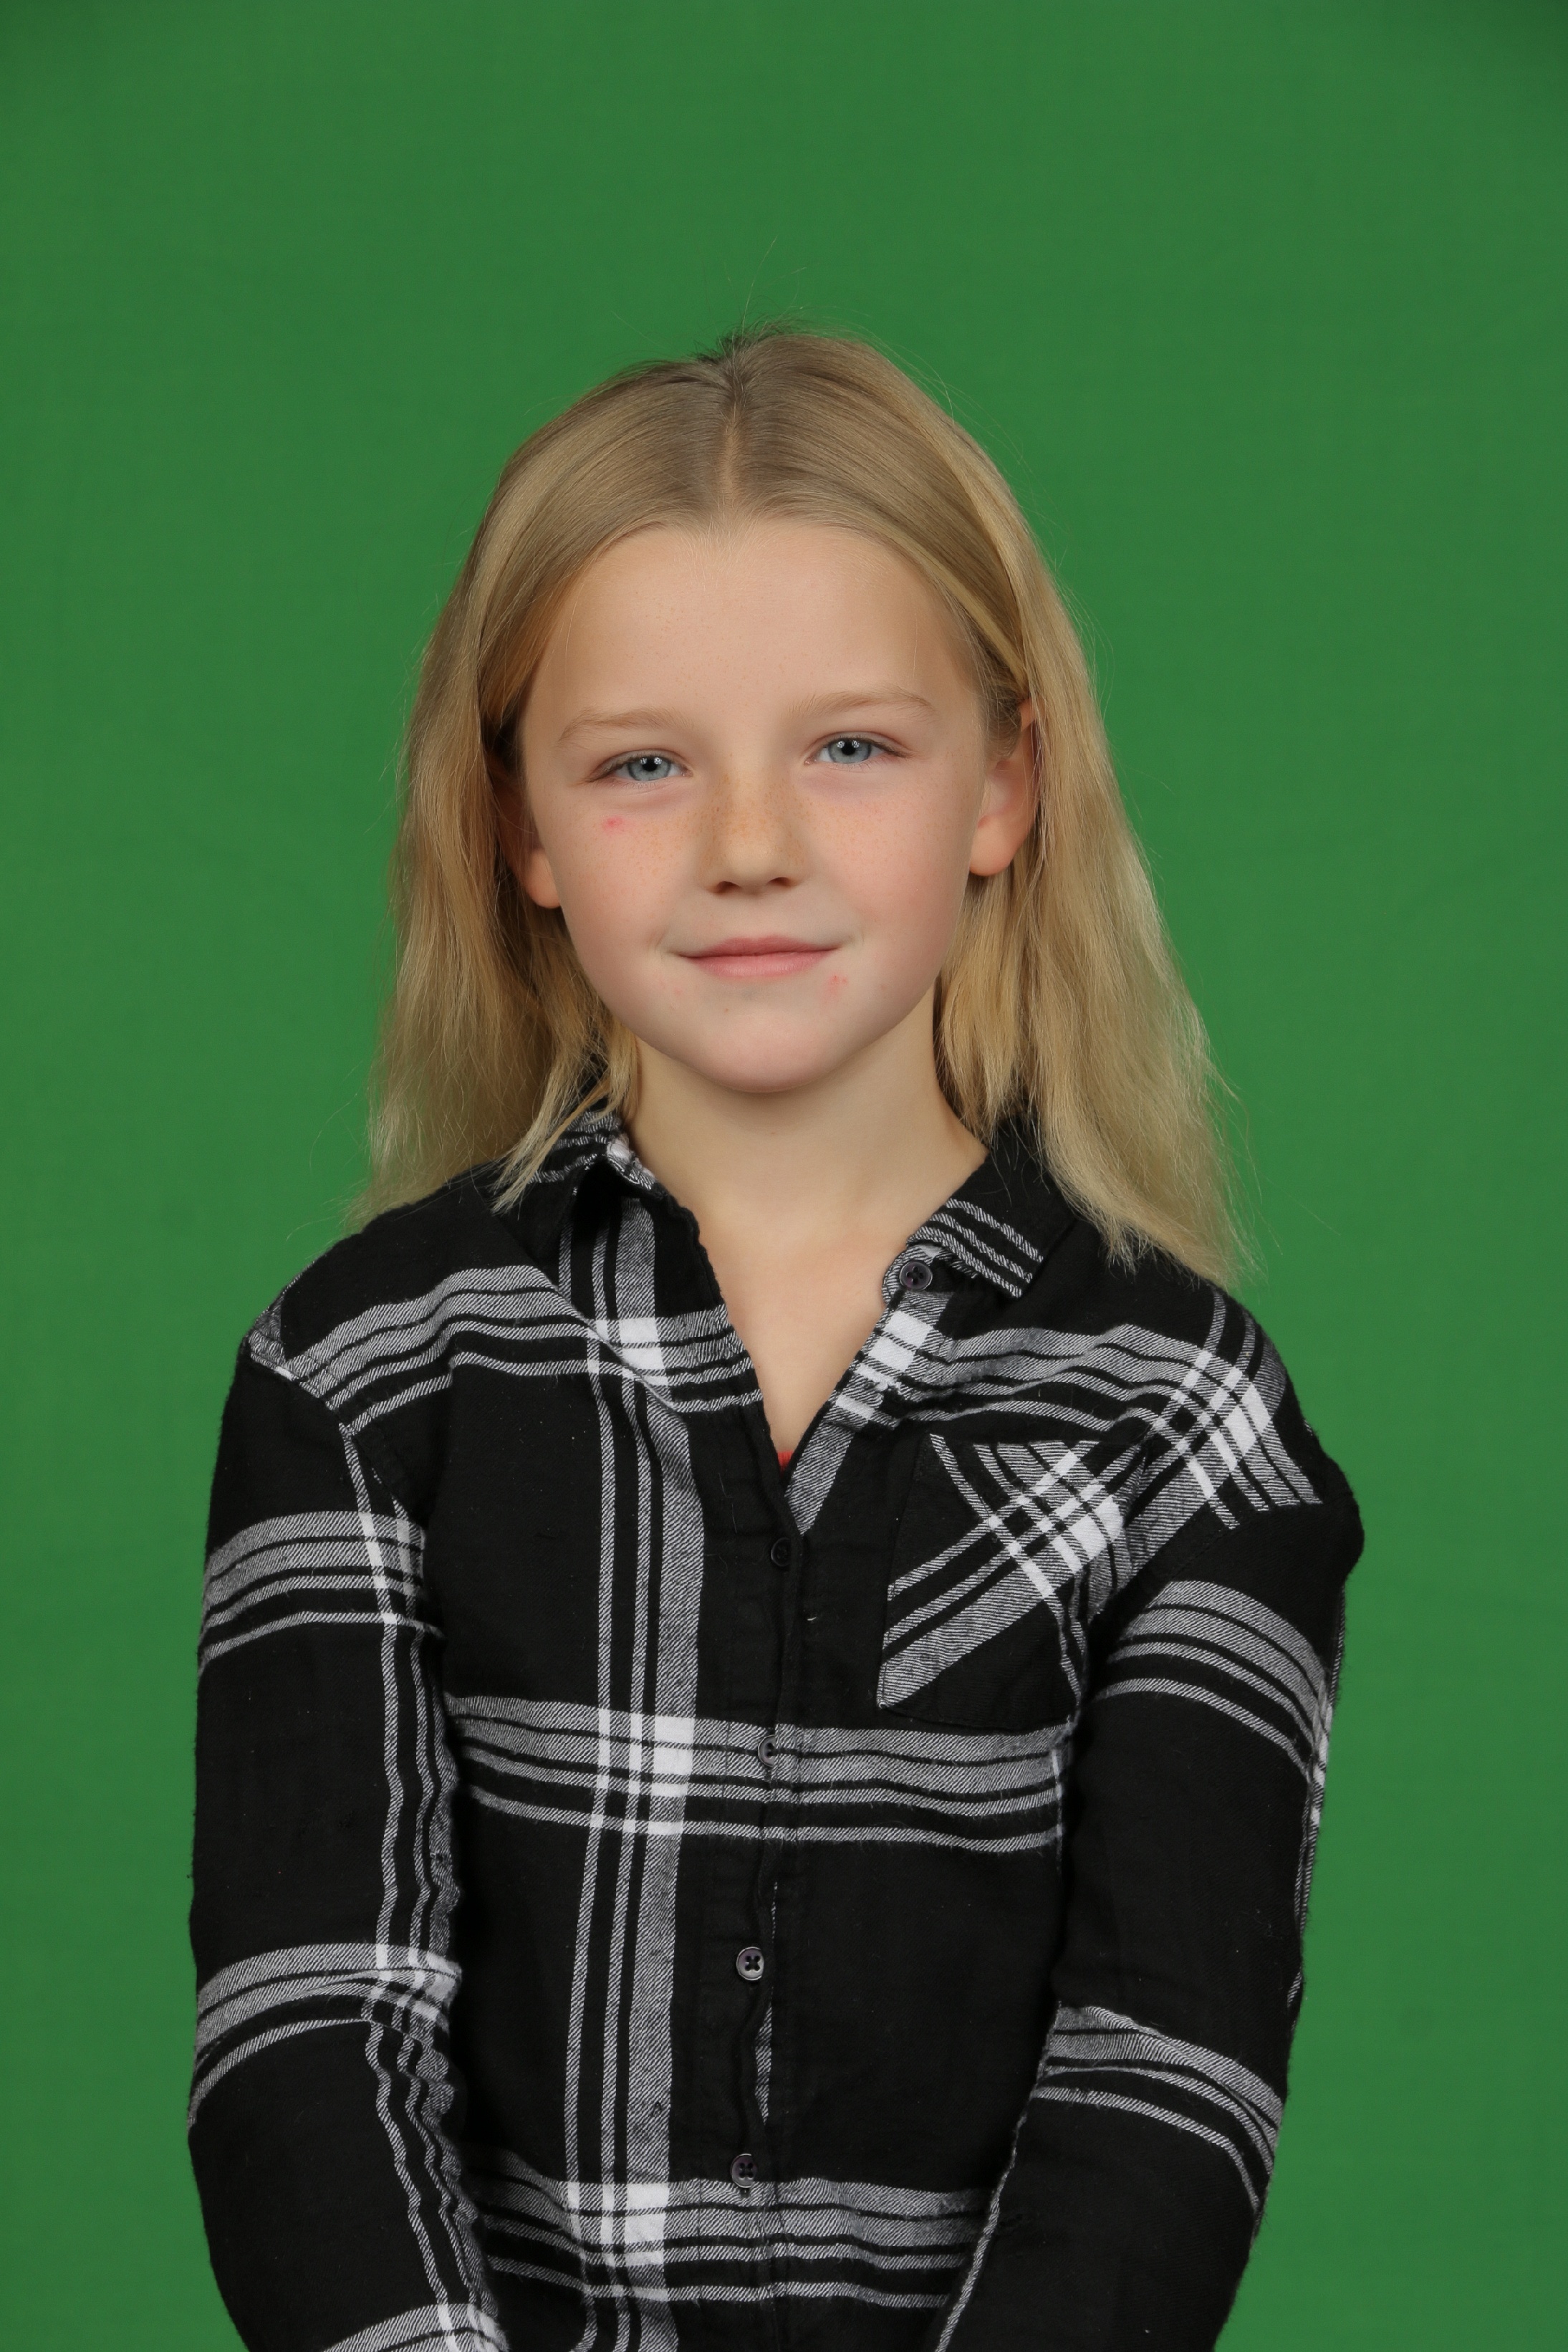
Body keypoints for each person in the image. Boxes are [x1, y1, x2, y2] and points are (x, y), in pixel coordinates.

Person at [189, 330, 1362, 2352]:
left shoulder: (1193, 1426)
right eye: (642, 763)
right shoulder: (361, 1377)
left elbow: (1160, 2092)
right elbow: (314, 2039)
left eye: (852, 748)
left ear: (1006, 784)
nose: (751, 841)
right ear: (521, 829)